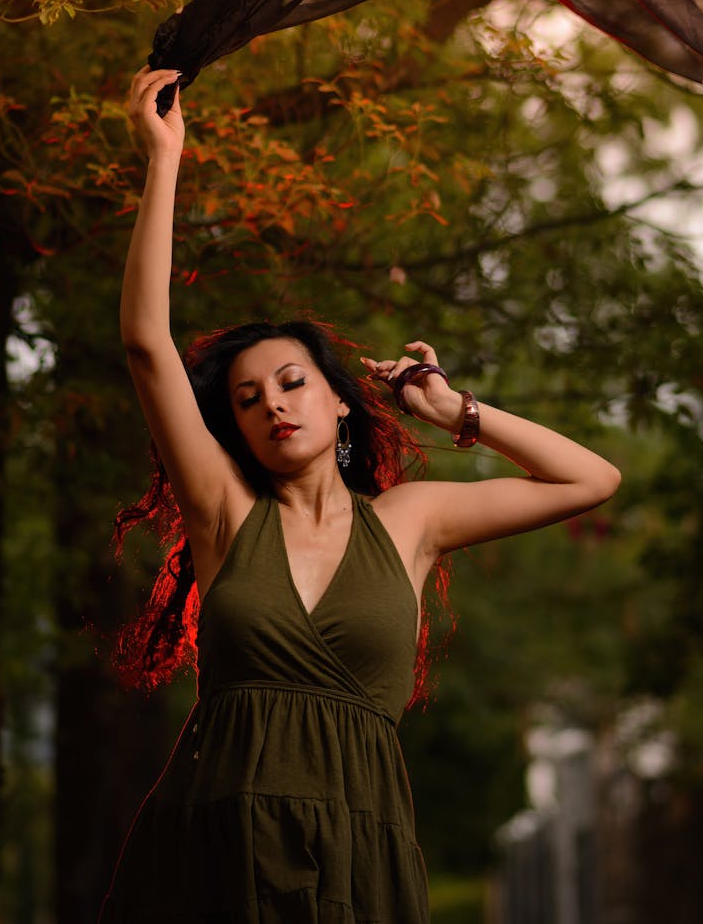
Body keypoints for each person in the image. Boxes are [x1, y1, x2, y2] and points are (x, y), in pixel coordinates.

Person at [99, 66, 621, 924]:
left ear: (338, 398)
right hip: (216, 853)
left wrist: (459, 411)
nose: (272, 401)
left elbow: (590, 479)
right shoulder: (226, 512)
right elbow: (147, 342)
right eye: (247, 397)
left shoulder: (411, 520)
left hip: (359, 856)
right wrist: (164, 160)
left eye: (293, 381)